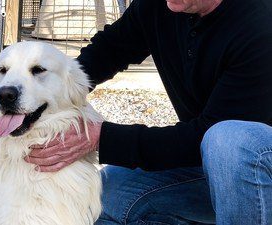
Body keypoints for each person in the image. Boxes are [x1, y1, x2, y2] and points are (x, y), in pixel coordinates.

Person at [25, 0, 272, 224]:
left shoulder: (260, 24)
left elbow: (208, 134)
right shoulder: (161, 5)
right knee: (106, 196)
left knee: (229, 140)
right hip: (213, 167)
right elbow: (109, 50)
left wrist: (101, 137)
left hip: (257, 165)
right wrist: (52, 88)